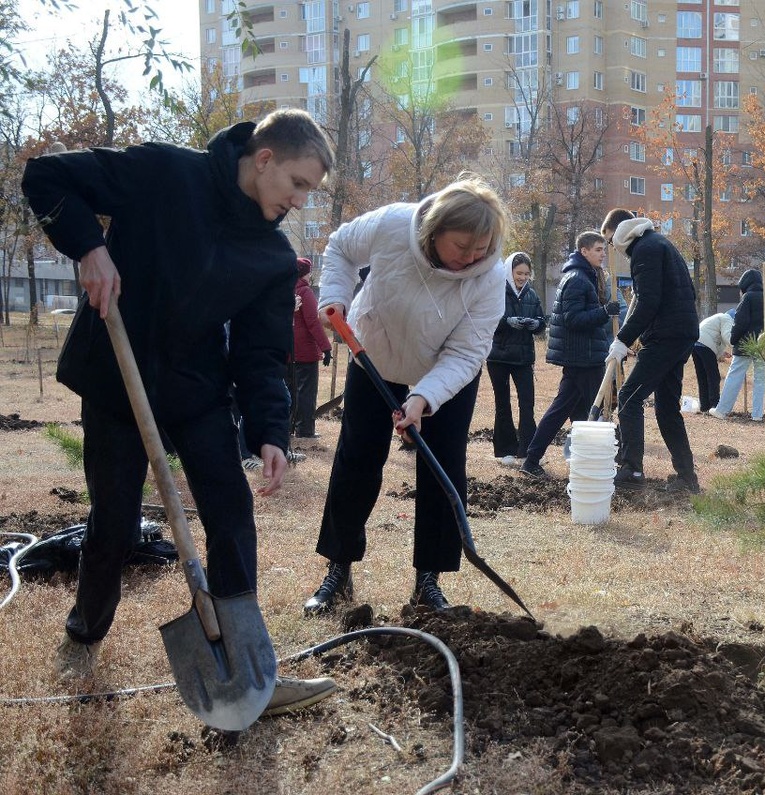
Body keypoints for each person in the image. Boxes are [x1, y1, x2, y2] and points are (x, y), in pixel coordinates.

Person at [22, 109, 339, 715]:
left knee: (229, 511)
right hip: (119, 374)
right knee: (113, 518)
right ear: (264, 158)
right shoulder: (166, 173)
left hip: (197, 389)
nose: (300, 201)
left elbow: (260, 353)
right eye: (297, 184)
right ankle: (86, 626)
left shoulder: (271, 257)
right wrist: (90, 247)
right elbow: (45, 177)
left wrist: (272, 431)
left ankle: (246, 669)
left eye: (311, 191)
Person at [303, 175, 509, 615]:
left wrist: (423, 399)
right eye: (461, 247)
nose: (470, 258)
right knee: (357, 456)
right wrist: (335, 295)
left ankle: (428, 581)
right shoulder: (394, 224)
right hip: (374, 351)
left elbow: (468, 351)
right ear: (433, 232)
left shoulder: (490, 275)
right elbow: (340, 246)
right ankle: (339, 568)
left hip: (446, 367)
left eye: (481, 249)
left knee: (443, 466)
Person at [601, 210, 701, 494]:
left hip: (666, 336)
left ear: (619, 232)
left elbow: (648, 302)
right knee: (667, 407)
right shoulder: (660, 243)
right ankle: (686, 477)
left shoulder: (645, 250)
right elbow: (682, 292)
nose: (613, 248)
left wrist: (623, 340)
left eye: (610, 241)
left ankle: (631, 469)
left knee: (629, 396)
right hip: (681, 333)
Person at [520, 232, 619, 479]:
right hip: (582, 357)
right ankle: (599, 462)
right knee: (593, 413)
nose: (602, 254)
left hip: (582, 355)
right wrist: (605, 312)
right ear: (583, 251)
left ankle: (534, 459)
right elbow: (573, 320)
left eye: (603, 250)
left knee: (569, 410)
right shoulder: (577, 279)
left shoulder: (585, 276)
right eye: (597, 250)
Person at [487, 252, 545, 467]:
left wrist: (536, 324)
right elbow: (488, 319)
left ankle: (528, 449)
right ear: (509, 271)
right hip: (498, 358)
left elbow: (541, 322)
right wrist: (507, 322)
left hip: (523, 358)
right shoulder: (495, 291)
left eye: (526, 274)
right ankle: (505, 450)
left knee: (527, 403)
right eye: (519, 273)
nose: (522, 277)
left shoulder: (531, 294)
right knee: (503, 404)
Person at [709, 270, 765, 422]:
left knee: (734, 376)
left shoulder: (747, 298)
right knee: (760, 380)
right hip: (764, 344)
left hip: (745, 344)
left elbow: (740, 322)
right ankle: (757, 414)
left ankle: (722, 410)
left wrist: (733, 339)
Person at [291, 257, 332, 440]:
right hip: (305, 351)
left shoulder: (285, 289)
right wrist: (326, 347)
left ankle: (289, 427)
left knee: (291, 391)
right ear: (306, 273)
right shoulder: (306, 292)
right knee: (306, 392)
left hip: (288, 350)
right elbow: (314, 323)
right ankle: (305, 430)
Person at [692, 312, 734, 413]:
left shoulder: (717, 318)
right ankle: (714, 405)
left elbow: (715, 339)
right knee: (713, 377)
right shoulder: (727, 319)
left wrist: (721, 354)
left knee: (702, 376)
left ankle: (704, 406)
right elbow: (726, 336)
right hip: (705, 345)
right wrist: (737, 345)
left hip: (695, 344)